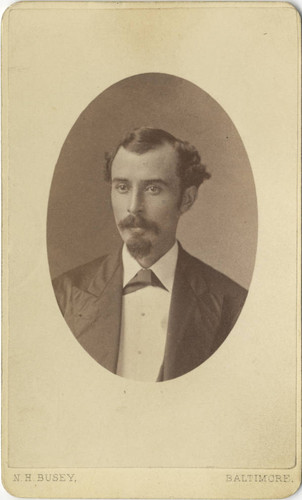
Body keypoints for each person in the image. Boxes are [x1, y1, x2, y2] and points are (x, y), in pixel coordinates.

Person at [53, 127, 247, 382]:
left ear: (186, 199)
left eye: (153, 189)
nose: (133, 207)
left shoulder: (232, 305)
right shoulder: (63, 294)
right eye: (122, 187)